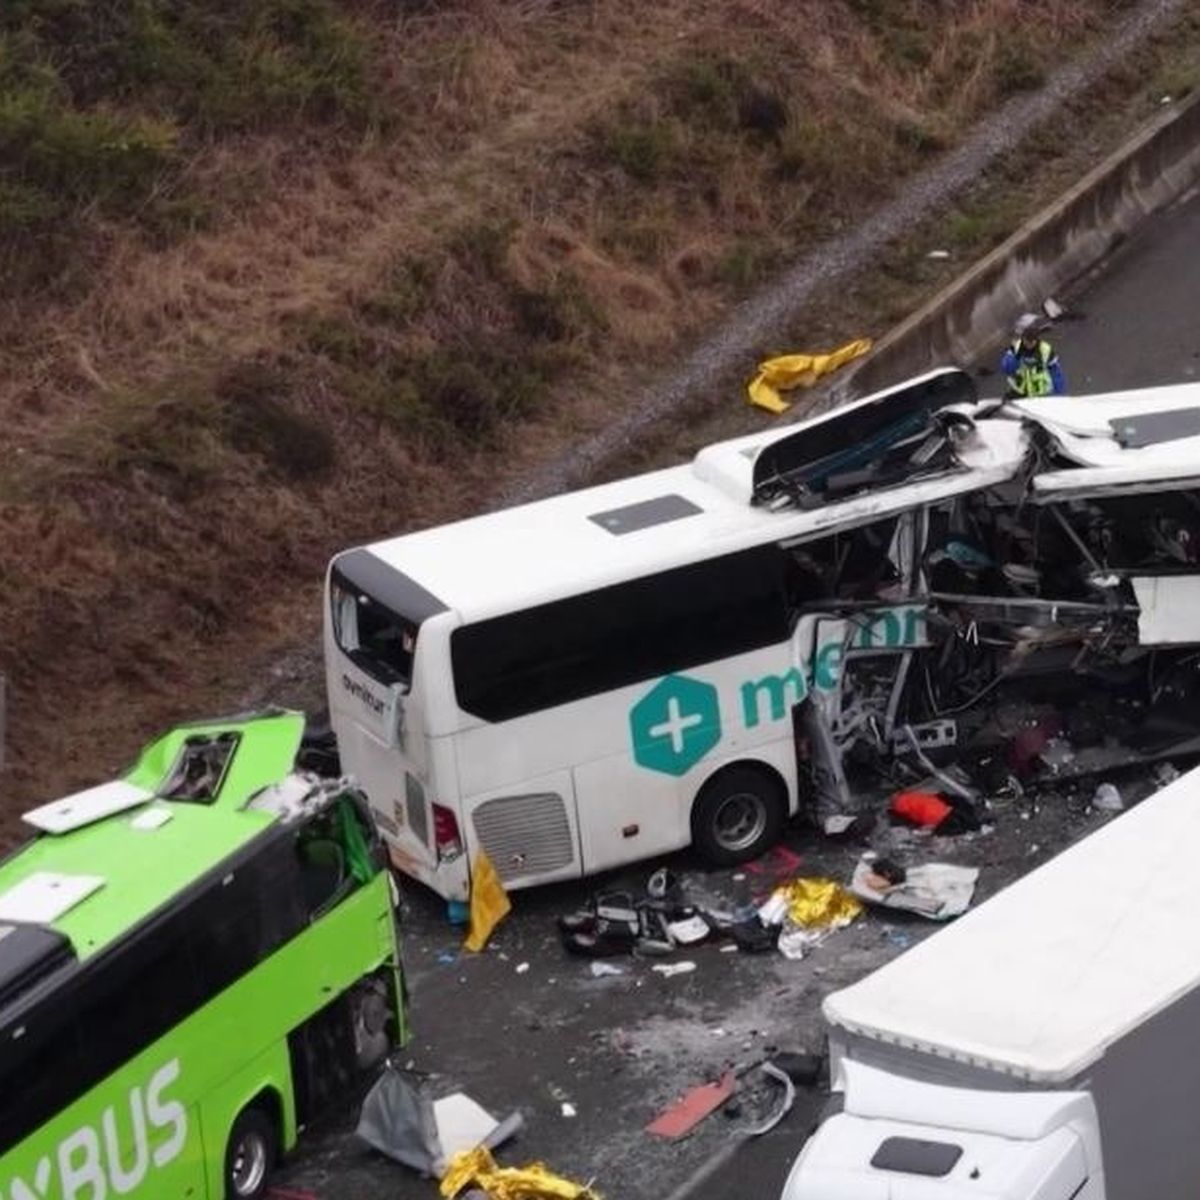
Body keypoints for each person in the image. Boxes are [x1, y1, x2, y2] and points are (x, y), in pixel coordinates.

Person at [1001, 312, 1066, 397]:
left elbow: (1056, 373)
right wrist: (1016, 356)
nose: (1029, 344)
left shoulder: (1045, 350)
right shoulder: (1015, 348)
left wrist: (1059, 395)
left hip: (1042, 395)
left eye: (1032, 340)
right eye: (1027, 340)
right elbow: (1007, 369)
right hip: (1020, 394)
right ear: (1023, 338)